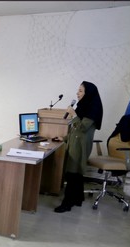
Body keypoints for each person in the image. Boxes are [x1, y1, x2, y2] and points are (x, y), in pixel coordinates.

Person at [54, 81, 103, 213]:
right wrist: (64, 138)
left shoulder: (93, 108)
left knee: (73, 172)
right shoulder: (84, 106)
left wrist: (73, 114)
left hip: (81, 145)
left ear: (89, 93)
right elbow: (75, 130)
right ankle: (77, 199)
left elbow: (81, 128)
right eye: (78, 90)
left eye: (81, 91)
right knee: (75, 172)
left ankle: (67, 203)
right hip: (75, 142)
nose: (77, 93)